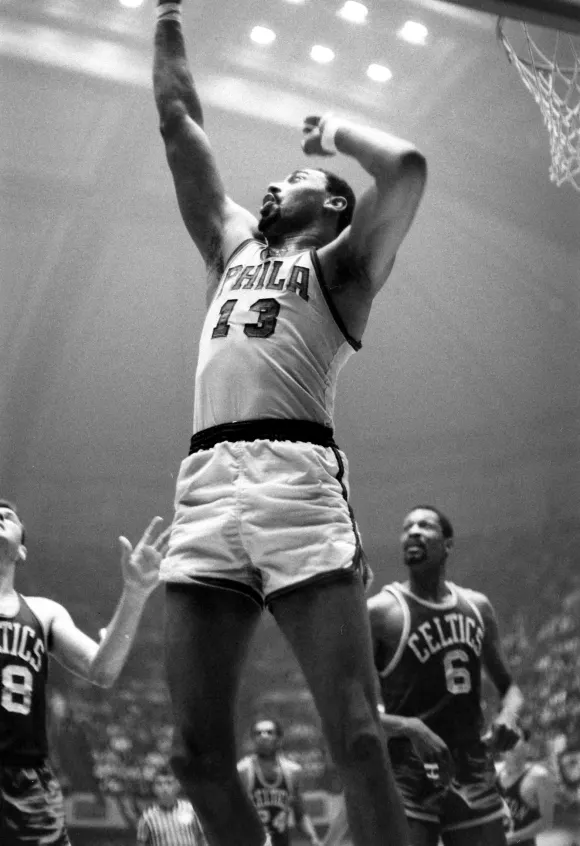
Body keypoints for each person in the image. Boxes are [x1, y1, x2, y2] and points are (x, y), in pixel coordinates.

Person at [152, 2, 427, 846]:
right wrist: (167, 16)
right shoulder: (230, 246)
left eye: (292, 179)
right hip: (205, 481)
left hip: (295, 481)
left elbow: (409, 169)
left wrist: (337, 131)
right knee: (197, 759)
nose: (270, 184)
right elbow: (177, 118)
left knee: (354, 737)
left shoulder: (342, 271)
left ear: (333, 206)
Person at [0, 498, 168, 846]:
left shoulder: (43, 613)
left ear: (23, 551)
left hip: (26, 782)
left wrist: (135, 593)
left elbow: (102, 670)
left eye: (8, 516)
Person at [367, 505, 525, 846]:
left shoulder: (477, 607)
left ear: (448, 544)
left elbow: (510, 688)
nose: (413, 531)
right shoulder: (380, 612)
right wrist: (409, 727)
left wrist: (509, 715)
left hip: (472, 765)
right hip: (407, 771)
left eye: (425, 525)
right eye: (407, 527)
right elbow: (351, 708)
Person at [237, 718, 322, 846]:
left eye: (269, 732)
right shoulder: (243, 770)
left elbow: (299, 812)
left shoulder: (292, 771)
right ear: (253, 740)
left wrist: (313, 838)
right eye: (258, 733)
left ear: (279, 739)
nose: (263, 736)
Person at [497, 731, 558, 846]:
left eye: (519, 751)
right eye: (511, 751)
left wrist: (509, 839)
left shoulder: (540, 777)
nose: (516, 756)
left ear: (526, 750)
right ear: (502, 753)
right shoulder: (494, 773)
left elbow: (546, 822)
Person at [137, 764, 208, 846]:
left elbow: (202, 839)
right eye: (159, 784)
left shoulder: (190, 810)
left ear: (177, 786)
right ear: (154, 788)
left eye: (169, 783)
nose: (164, 788)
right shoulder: (148, 818)